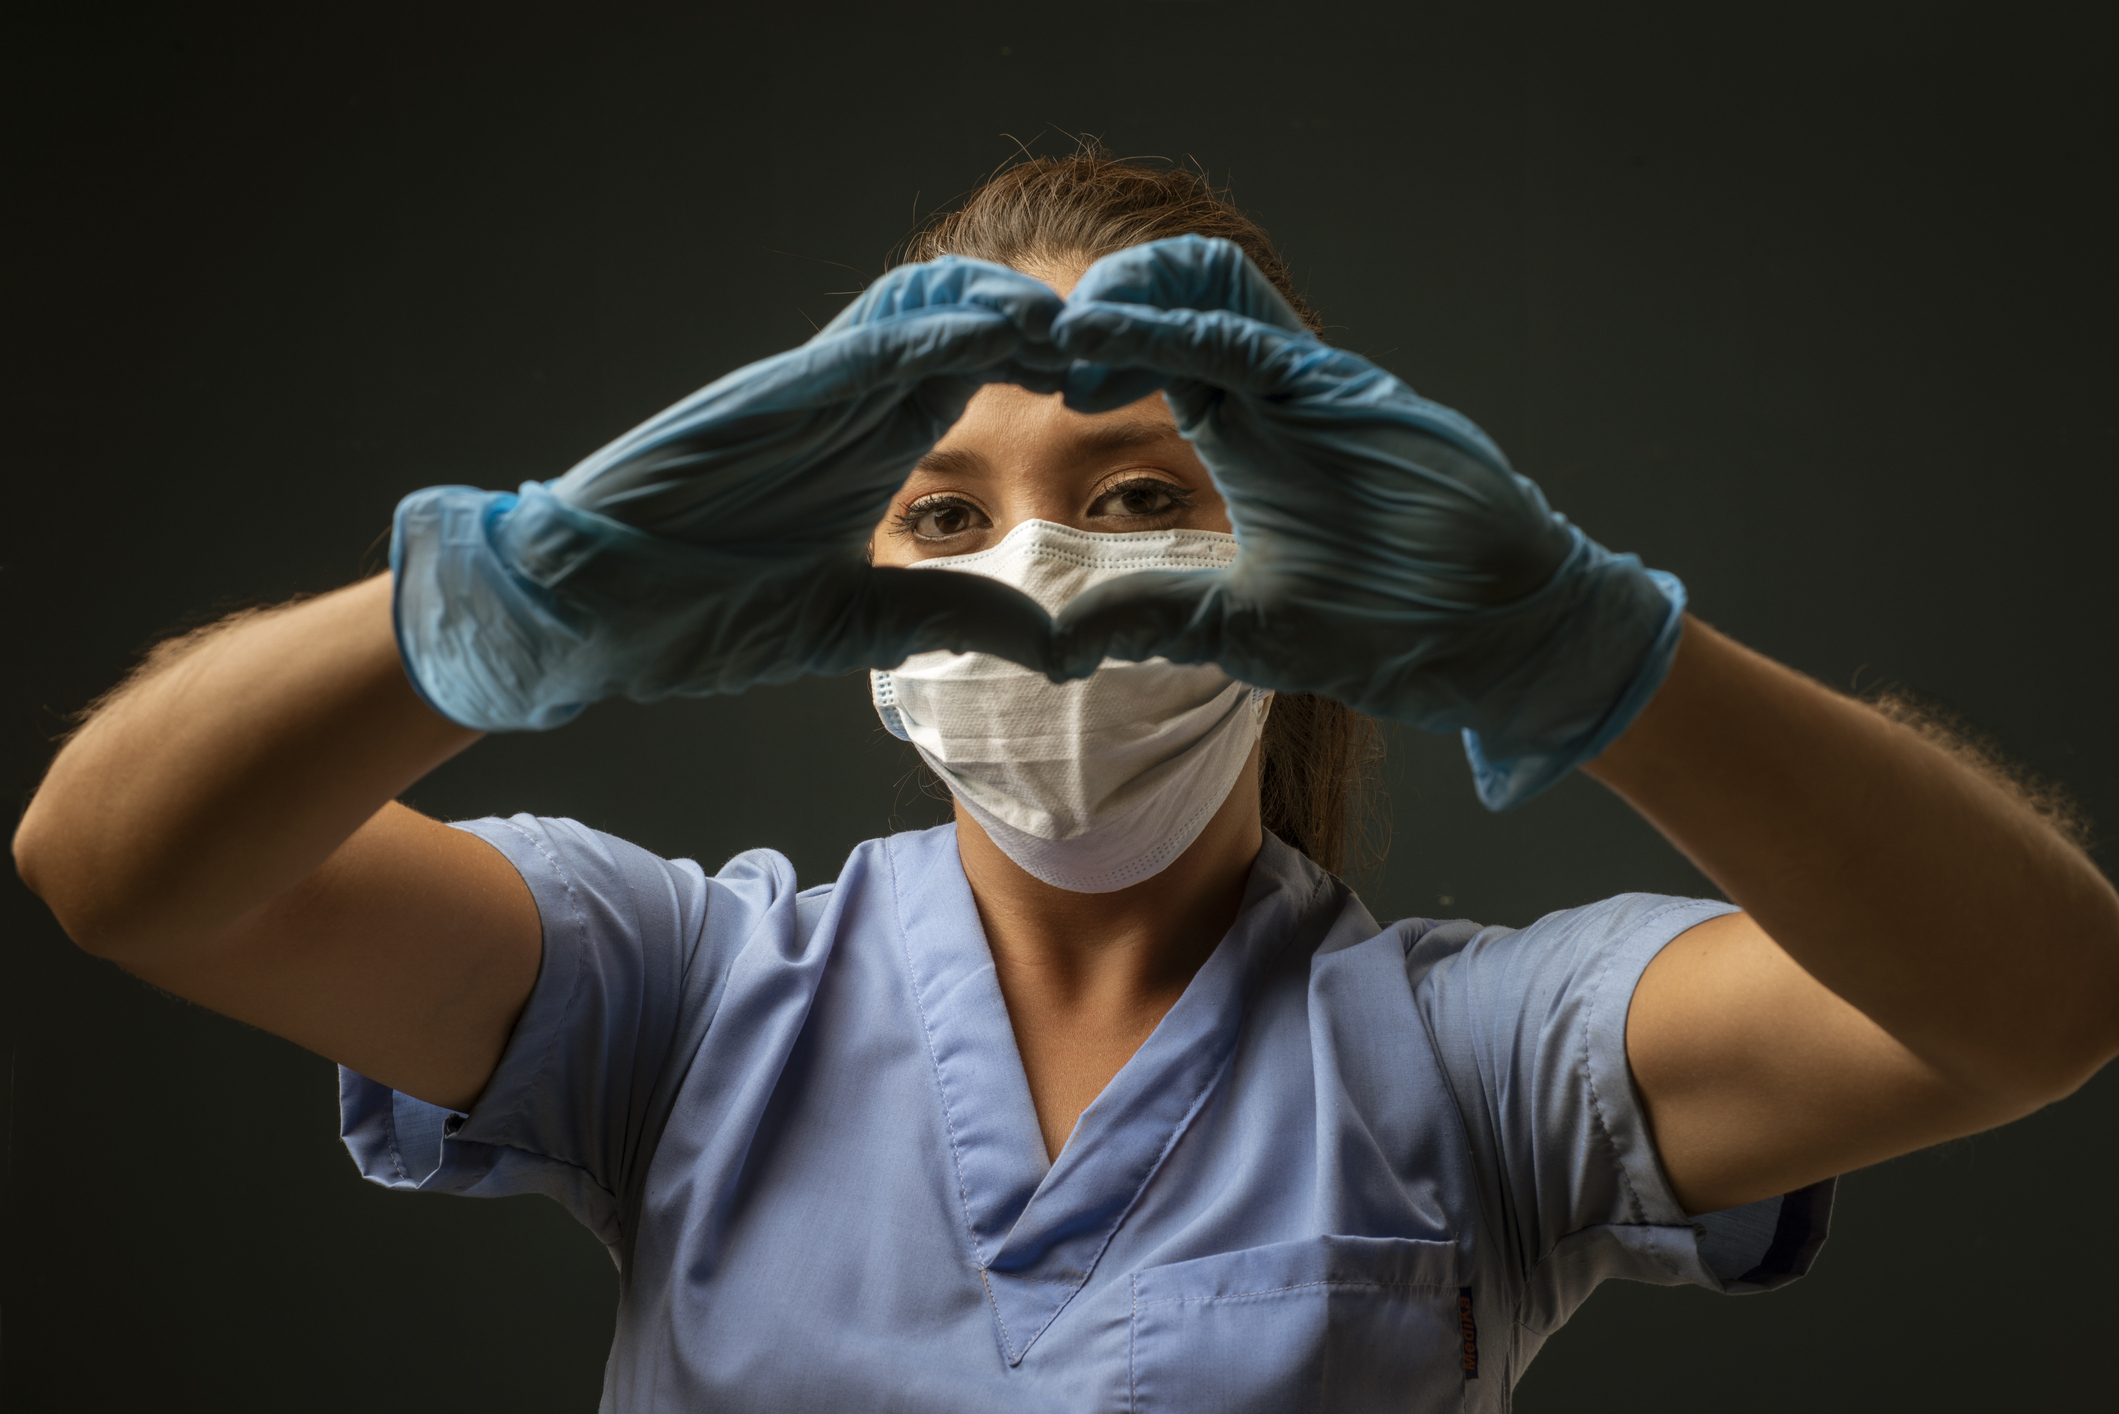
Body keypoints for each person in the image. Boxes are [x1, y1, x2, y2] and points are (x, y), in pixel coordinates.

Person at [14, 153, 2118, 1412]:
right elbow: (118, 864)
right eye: (944, 510)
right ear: (847, 570)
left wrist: (1584, 648)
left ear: (1289, 562)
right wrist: (507, 601)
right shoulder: (675, 997)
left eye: (1134, 494)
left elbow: (2034, 1002)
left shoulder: (1474, 1063)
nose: (1039, 571)